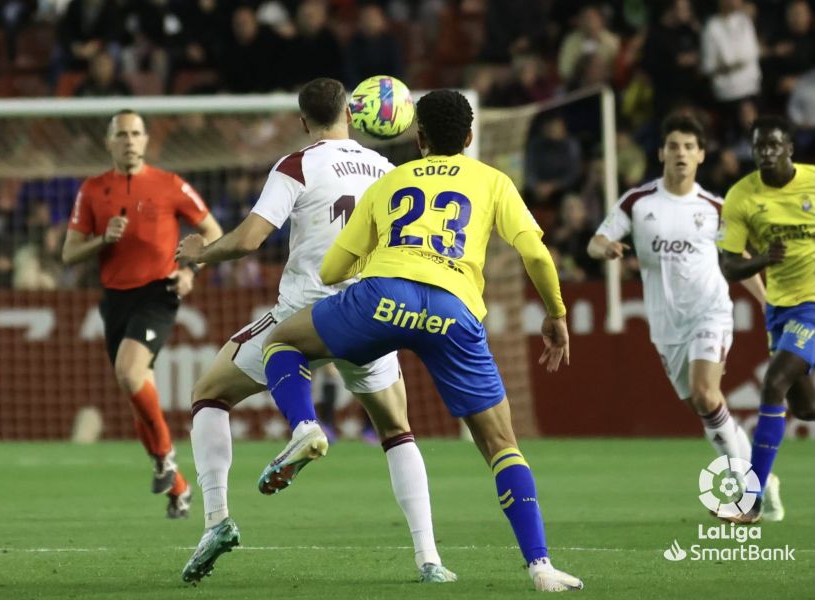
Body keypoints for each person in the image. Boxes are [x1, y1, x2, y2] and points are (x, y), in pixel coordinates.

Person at [256, 90, 582, 592]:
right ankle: (540, 567)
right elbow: (537, 257)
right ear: (470, 138)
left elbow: (331, 268)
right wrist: (556, 314)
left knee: (282, 340)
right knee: (502, 447)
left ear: (419, 136)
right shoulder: (492, 180)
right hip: (454, 312)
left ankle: (305, 425)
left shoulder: (392, 180)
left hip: (383, 298)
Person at [174, 78, 456, 585]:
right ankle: (429, 558)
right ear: (351, 113)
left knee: (208, 394)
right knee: (397, 430)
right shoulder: (388, 170)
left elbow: (250, 240)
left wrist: (200, 255)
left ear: (303, 122)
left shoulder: (297, 164)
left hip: (307, 309)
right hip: (369, 310)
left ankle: (218, 518)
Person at [587, 115, 786, 519]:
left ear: (701, 155)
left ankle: (747, 495)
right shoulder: (638, 202)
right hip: (666, 326)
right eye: (673, 146)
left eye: (688, 147)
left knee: (705, 393)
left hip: (710, 311)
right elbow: (597, 240)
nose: (680, 153)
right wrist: (606, 248)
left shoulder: (714, 208)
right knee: (705, 406)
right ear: (661, 153)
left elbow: (739, 259)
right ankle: (764, 479)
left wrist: (766, 301)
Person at [62, 109, 223, 518]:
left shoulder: (169, 185)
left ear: (147, 140)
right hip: (115, 298)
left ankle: (165, 459)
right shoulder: (92, 190)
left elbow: (214, 232)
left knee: (129, 373)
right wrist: (101, 240)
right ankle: (179, 486)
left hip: (159, 292)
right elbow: (68, 252)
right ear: (109, 141)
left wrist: (190, 271)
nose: (129, 141)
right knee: (137, 393)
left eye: (136, 134)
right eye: (122, 134)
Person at [717, 116, 815, 524]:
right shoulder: (740, 197)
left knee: (773, 382)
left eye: (774, 145)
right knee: (805, 407)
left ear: (790, 148)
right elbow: (727, 265)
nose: (766, 154)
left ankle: (751, 501)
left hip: (813, 302)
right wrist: (762, 260)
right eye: (759, 147)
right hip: (779, 307)